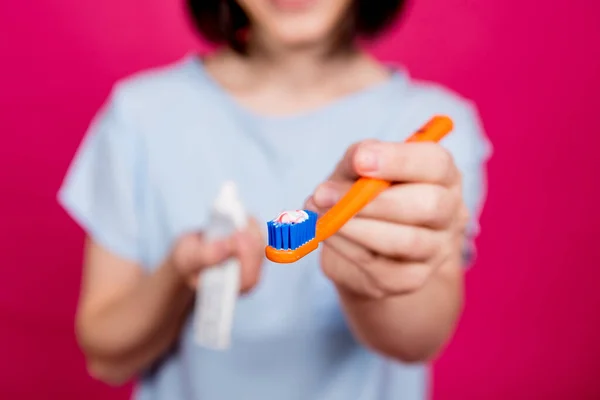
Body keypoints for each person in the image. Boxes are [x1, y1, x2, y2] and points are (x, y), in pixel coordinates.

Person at [58, 0, 491, 399]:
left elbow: (418, 341)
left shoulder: (425, 127)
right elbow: (107, 357)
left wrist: (365, 273)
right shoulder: (139, 115)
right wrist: (179, 273)